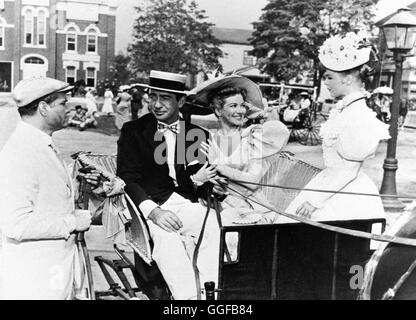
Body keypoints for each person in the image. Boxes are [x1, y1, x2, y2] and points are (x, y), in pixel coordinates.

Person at [117, 70, 222, 300]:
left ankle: (209, 296)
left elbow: (195, 181)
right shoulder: (134, 131)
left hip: (183, 202)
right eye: (153, 97)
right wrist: (153, 212)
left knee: (213, 224)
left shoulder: (195, 134)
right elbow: (128, 179)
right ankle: (187, 301)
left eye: (165, 98)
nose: (156, 104)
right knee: (167, 239)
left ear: (181, 101)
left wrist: (209, 185)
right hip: (149, 205)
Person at [0, 77, 94, 299]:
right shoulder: (20, 152)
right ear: (43, 108)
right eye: (62, 103)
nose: (68, 107)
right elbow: (16, 224)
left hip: (51, 273)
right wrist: (72, 221)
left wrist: (75, 180)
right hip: (34, 279)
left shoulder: (39, 142)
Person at [285, 32, 390, 222]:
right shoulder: (344, 110)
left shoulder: (358, 115)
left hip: (345, 195)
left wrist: (316, 201)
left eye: (329, 77)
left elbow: (349, 170)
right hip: (329, 183)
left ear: (347, 79)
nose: (325, 82)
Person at [193, 75, 290, 225]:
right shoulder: (209, 140)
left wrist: (218, 166)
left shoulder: (252, 137)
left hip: (252, 207)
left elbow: (253, 181)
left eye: (243, 105)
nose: (240, 111)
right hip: (221, 205)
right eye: (233, 106)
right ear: (218, 111)